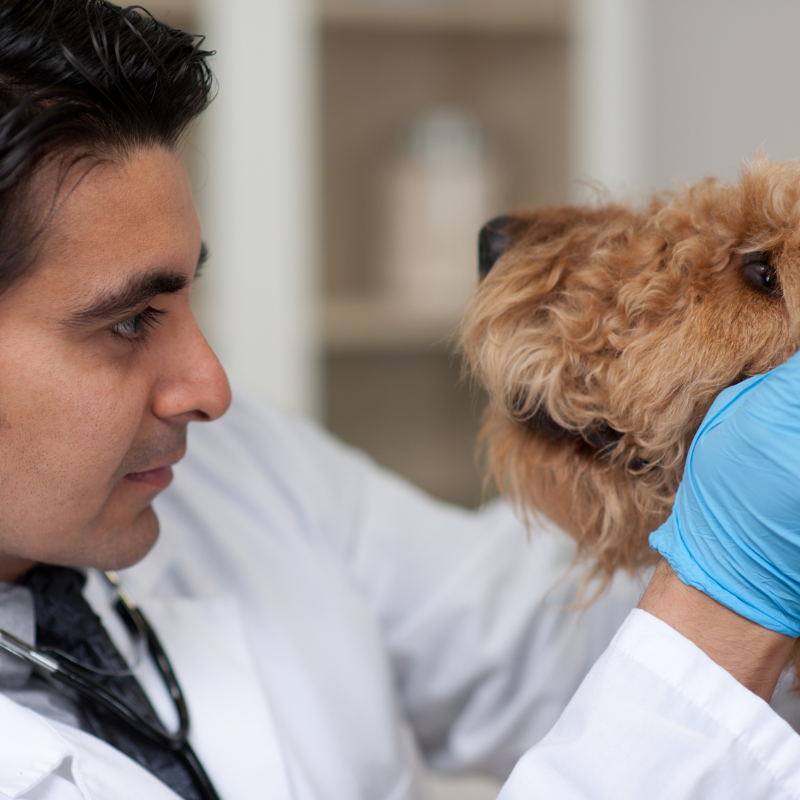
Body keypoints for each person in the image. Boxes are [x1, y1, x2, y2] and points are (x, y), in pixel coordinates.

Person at [0, 2, 799, 799]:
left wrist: (732, 547)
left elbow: (521, 636)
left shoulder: (231, 470)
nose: (212, 389)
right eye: (130, 321)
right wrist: (727, 597)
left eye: (185, 297)